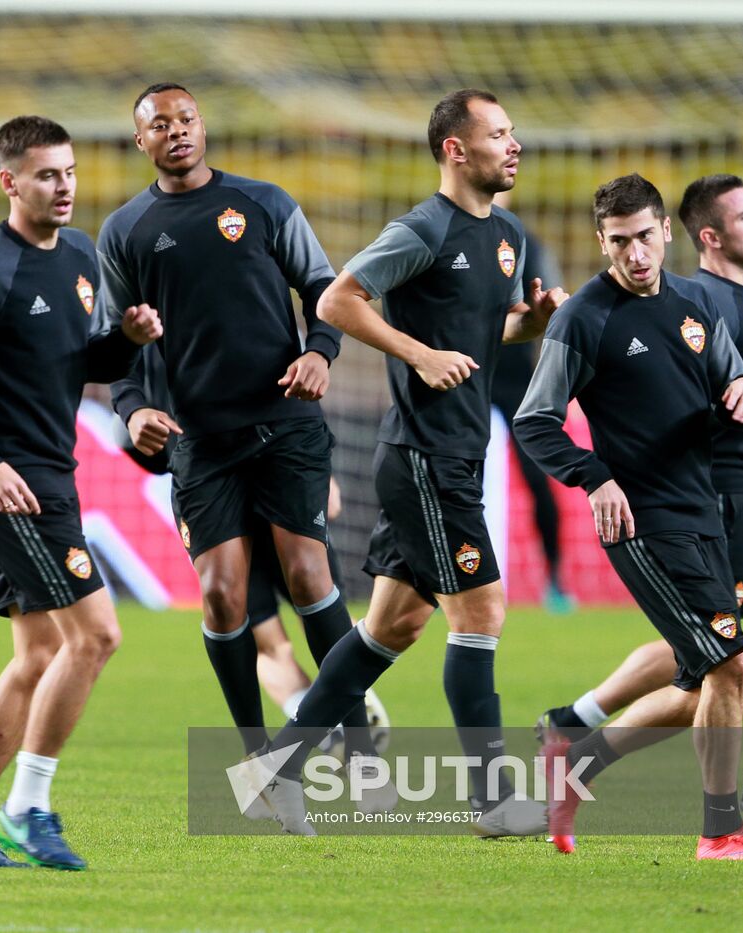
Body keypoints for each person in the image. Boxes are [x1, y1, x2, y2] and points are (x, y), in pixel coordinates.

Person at [262, 89, 566, 837]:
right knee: (483, 611)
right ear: (456, 150)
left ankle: (276, 769)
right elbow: (338, 300)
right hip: (426, 456)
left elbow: (479, 329)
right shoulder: (422, 228)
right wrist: (418, 353)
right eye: (498, 133)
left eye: (513, 130)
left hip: (454, 453)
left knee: (391, 626)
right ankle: (494, 801)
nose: (514, 144)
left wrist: (532, 322)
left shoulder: (508, 235)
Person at [98, 83, 383, 783]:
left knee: (310, 572)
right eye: (159, 125)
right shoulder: (125, 231)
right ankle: (258, 756)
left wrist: (319, 351)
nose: (177, 132)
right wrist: (131, 408)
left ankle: (361, 742)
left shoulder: (264, 203)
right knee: (223, 595)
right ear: (142, 142)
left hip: (285, 421)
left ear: (203, 126)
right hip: (200, 440)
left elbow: (325, 290)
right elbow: (113, 347)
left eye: (186, 119)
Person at [0, 115, 161, 870]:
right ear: (9, 181)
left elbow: (78, 361)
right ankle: (28, 804)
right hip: (8, 485)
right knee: (97, 634)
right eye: (47, 175)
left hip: (53, 473)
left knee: (39, 651)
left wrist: (129, 343)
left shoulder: (80, 255)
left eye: (71, 172)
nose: (65, 187)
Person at [532, 174, 743, 815]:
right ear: (601, 241)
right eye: (619, 242)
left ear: (666, 232)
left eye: (644, 237)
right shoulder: (583, 318)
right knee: (729, 664)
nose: (634, 255)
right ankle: (723, 828)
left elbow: (724, 396)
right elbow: (535, 421)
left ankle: (574, 755)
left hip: (707, 515)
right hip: (647, 522)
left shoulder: (694, 305)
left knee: (703, 681)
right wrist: (594, 476)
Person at [112, 344, 390, 756]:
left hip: (255, 479)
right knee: (271, 624)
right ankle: (327, 719)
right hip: (222, 490)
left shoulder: (189, 316)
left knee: (314, 602)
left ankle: (338, 717)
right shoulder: (142, 330)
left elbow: (299, 380)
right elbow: (130, 424)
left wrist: (319, 475)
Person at [488, 191, 573, 613]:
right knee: (449, 472)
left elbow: (555, 310)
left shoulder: (528, 243)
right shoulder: (444, 236)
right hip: (464, 372)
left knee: (538, 476)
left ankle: (555, 580)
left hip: (516, 377)